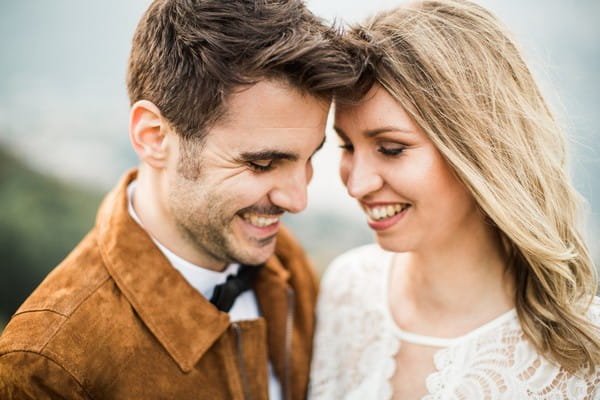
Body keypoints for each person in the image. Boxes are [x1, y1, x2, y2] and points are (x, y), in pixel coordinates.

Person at [0, 0, 356, 398]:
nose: (297, 200)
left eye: (310, 158)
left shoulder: (285, 263)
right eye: (262, 163)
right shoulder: (49, 365)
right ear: (154, 136)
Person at [309, 0, 600, 399]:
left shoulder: (584, 356)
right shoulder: (346, 289)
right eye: (346, 146)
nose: (357, 184)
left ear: (479, 148)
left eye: (391, 148)